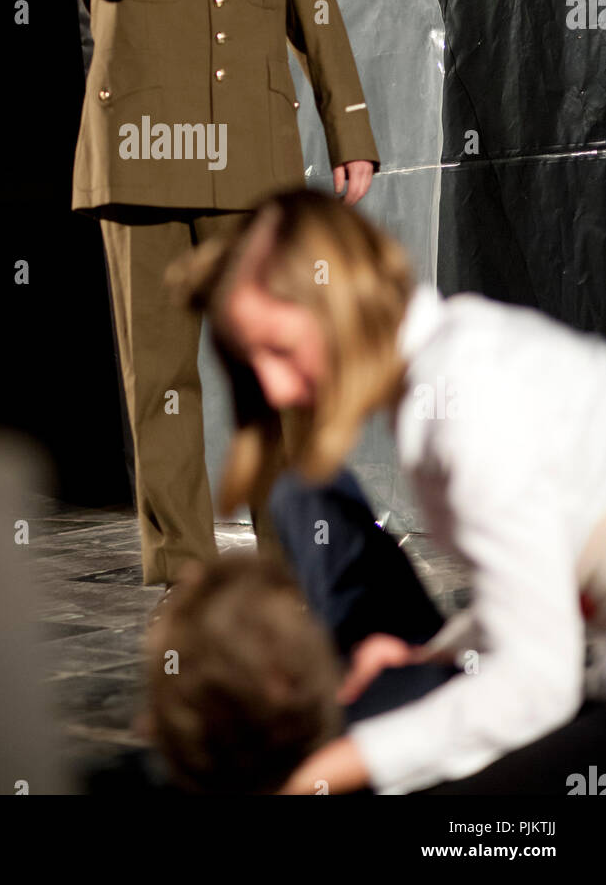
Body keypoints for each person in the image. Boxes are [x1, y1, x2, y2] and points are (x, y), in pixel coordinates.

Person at [39, 0, 379, 589]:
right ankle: (185, 569)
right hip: (141, 161)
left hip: (249, 162)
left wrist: (350, 131)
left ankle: (288, 557)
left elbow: (315, 12)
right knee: (160, 381)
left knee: (271, 374)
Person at [162, 186, 606, 793]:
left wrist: (333, 769)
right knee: (304, 498)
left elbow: (539, 681)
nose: (275, 389)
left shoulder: (464, 396)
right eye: (252, 362)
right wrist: (437, 654)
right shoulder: (446, 365)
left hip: (566, 691)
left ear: (340, 303)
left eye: (281, 350)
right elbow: (536, 595)